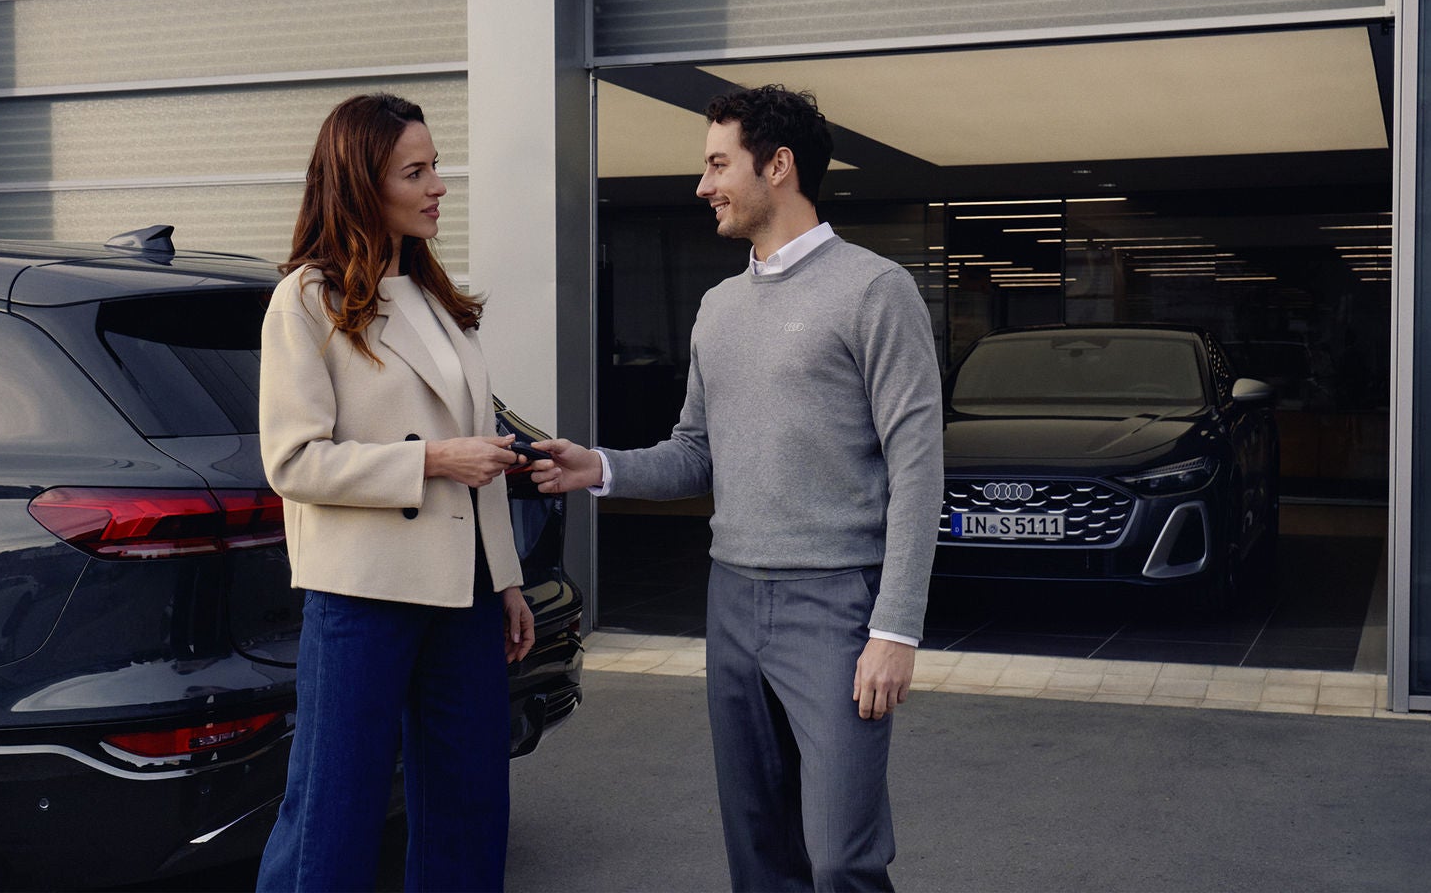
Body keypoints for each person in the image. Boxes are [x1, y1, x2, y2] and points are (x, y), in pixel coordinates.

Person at [532, 84, 941, 893]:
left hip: (835, 605)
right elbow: (694, 455)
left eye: (719, 163)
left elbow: (918, 465)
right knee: (759, 852)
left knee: (842, 857)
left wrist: (896, 629)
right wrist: (599, 467)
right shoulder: (718, 307)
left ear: (779, 166)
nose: (703, 184)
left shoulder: (873, 290)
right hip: (733, 599)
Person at [255, 91, 537, 893]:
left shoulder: (442, 299)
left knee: (470, 807)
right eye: (415, 171)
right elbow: (294, 462)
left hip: (466, 593)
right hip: (362, 594)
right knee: (331, 817)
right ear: (360, 183)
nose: (438, 184)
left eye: (435, 165)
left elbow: (476, 448)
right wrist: (430, 461)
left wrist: (506, 577)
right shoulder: (306, 301)